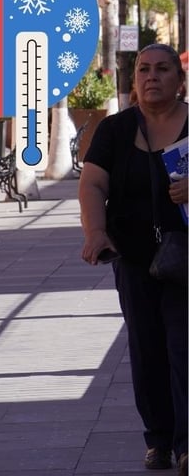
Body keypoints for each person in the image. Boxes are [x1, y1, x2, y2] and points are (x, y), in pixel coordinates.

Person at [78, 42, 188, 474]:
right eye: (144, 69)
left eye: (162, 69)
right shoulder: (115, 130)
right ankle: (158, 439)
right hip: (134, 257)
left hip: (185, 259)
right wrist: (95, 232)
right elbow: (92, 184)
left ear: (180, 81)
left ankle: (186, 444)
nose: (152, 77)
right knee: (146, 348)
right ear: (134, 79)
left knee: (183, 346)